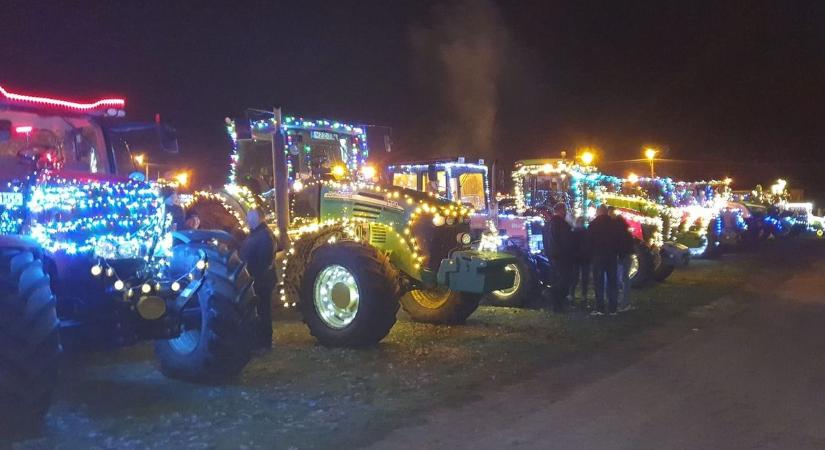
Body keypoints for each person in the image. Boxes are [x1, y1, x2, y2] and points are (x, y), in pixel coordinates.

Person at [239, 209, 276, 350]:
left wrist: (253, 276)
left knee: (263, 311)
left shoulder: (265, 236)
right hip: (256, 280)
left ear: (258, 218)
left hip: (261, 281)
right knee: (259, 311)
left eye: (250, 218)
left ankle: (264, 343)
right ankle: (259, 341)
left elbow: (264, 261)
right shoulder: (255, 234)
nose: (247, 220)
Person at [587, 205, 619, 316]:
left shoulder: (593, 225)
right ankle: (613, 308)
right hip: (611, 256)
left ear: (598, 212)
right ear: (606, 212)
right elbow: (618, 241)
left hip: (598, 257)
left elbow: (589, 242)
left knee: (598, 282)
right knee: (612, 282)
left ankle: (600, 307)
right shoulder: (614, 224)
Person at [544, 202, 575, 313]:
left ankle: (556, 305)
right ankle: (555, 297)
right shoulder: (562, 224)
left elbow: (546, 241)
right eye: (565, 209)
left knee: (557, 279)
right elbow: (567, 242)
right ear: (561, 210)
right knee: (565, 280)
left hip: (552, 256)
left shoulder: (548, 224)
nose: (566, 211)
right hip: (562, 257)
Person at [609, 206, 636, 312]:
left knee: (621, 278)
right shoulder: (623, 224)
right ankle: (624, 302)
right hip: (625, 253)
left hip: (621, 254)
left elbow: (618, 241)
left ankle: (623, 302)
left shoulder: (616, 225)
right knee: (623, 278)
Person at [569, 216, 590, 309]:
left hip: (576, 258)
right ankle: (583, 296)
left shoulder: (573, 232)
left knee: (575, 278)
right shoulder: (587, 232)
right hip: (584, 258)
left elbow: (571, 245)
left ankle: (571, 295)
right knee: (584, 278)